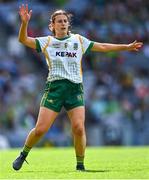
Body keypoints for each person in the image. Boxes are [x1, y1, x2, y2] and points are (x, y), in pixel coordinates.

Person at [12, 4, 143, 171]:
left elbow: (102, 47)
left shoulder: (78, 40)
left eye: (65, 21)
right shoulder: (47, 42)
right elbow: (23, 40)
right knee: (40, 129)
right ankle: (23, 154)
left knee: (79, 128)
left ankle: (80, 166)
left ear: (68, 24)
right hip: (55, 88)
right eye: (59, 21)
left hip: (75, 89)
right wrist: (24, 23)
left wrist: (125, 47)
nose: (63, 23)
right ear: (52, 26)